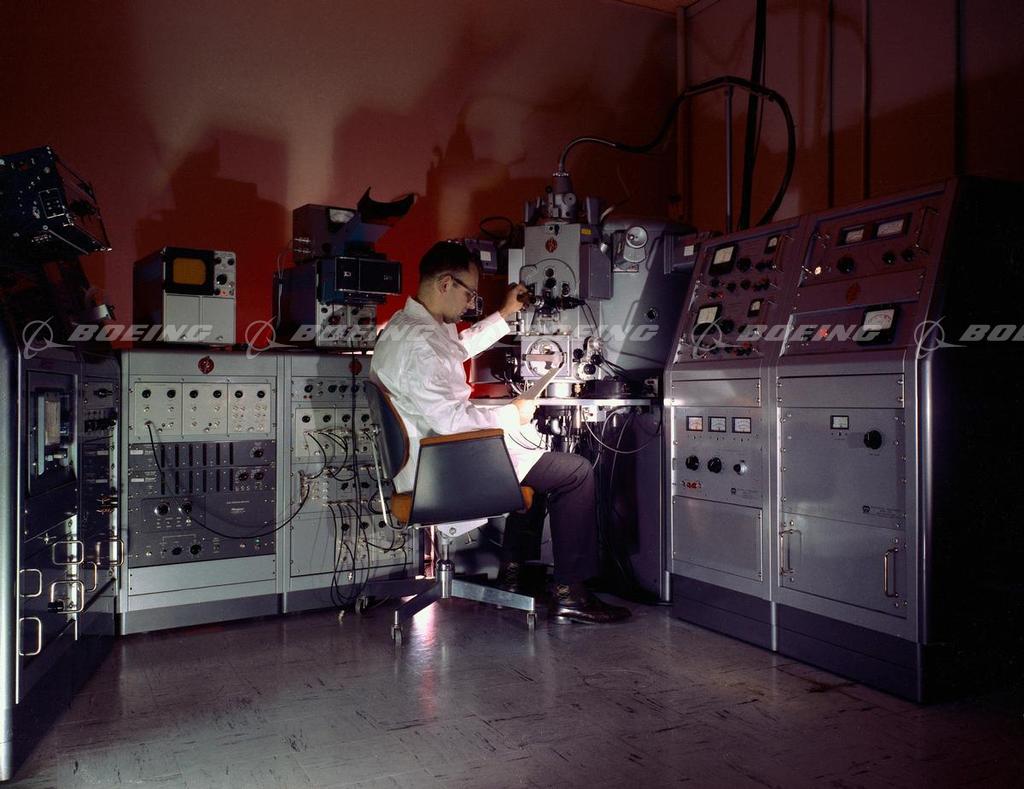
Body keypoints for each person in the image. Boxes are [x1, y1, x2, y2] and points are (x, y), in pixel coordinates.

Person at [370, 241, 629, 623]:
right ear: (446, 283)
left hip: (434, 458)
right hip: (441, 469)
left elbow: (455, 350)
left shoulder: (405, 326)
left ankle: (514, 576)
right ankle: (571, 593)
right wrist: (512, 413)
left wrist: (504, 314)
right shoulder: (420, 342)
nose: (469, 304)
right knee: (575, 472)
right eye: (468, 294)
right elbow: (452, 421)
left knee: (534, 463)